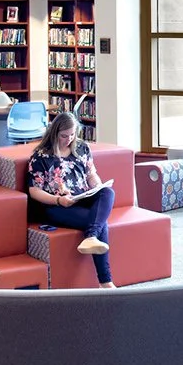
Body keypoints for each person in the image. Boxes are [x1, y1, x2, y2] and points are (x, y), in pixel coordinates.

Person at [26, 111, 117, 288]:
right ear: (54, 133)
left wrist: (97, 186)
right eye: (64, 136)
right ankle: (105, 282)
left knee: (108, 193)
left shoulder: (82, 148)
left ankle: (91, 237)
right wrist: (58, 200)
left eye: (72, 134)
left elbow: (91, 174)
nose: (69, 139)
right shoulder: (41, 156)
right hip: (56, 205)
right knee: (101, 223)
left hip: (81, 197)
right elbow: (34, 191)